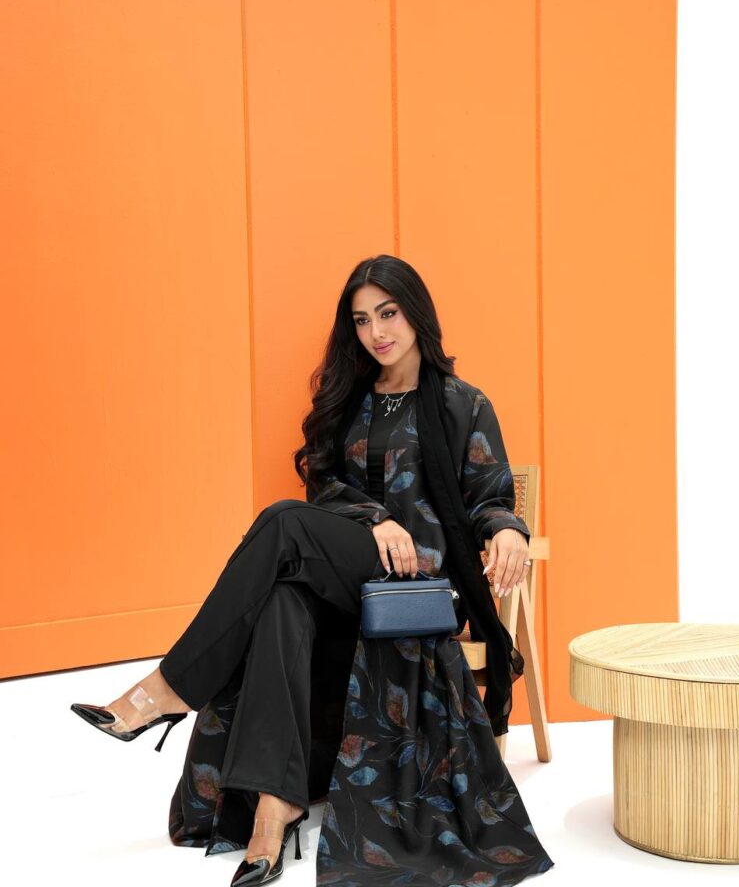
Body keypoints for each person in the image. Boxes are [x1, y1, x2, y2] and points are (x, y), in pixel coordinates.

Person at [71, 254, 554, 886]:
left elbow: (489, 495)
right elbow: (324, 486)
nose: (376, 332)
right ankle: (276, 809)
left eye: (388, 313)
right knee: (282, 600)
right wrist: (374, 519)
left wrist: (509, 529)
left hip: (419, 582)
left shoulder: (463, 403)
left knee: (280, 522)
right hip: (354, 573)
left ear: (416, 312)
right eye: (362, 320)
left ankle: (169, 693)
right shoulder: (351, 399)